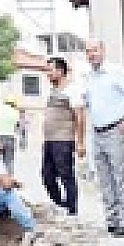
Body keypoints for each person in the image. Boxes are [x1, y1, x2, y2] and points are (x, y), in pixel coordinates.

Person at [83, 39, 124, 237]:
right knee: (104, 179)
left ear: (103, 50)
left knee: (120, 177)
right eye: (88, 51)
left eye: (94, 50)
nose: (91, 54)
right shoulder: (89, 77)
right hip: (98, 132)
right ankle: (111, 220)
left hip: (115, 131)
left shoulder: (115, 71)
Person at [41, 56, 86, 216]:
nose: (47, 73)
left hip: (64, 140)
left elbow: (80, 117)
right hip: (49, 141)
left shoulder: (72, 90)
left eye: (50, 70)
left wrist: (80, 143)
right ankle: (62, 203)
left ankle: (72, 211)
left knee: (66, 175)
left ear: (60, 71)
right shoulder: (53, 91)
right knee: (47, 176)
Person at [0, 94, 21, 174]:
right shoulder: (16, 112)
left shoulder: (0, 110)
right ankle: (9, 179)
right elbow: (17, 126)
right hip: (11, 138)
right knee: (9, 160)